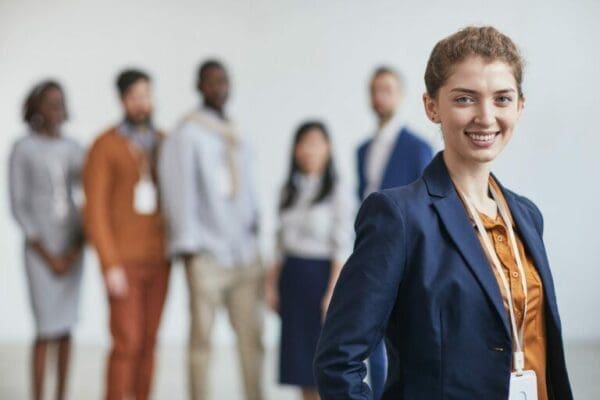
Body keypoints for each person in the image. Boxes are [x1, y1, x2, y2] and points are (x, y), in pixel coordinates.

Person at [314, 26, 573, 400]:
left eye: (502, 99)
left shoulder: (526, 216)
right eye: (465, 99)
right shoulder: (398, 217)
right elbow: (338, 361)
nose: (486, 116)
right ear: (431, 106)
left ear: (520, 106)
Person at [159, 60, 264, 400]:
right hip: (207, 256)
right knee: (202, 341)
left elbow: (247, 187)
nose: (219, 87)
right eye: (212, 82)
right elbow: (179, 192)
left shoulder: (236, 131)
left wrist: (254, 232)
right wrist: (190, 249)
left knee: (252, 340)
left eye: (224, 81)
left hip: (244, 257)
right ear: (200, 86)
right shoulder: (186, 134)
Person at [83, 69, 170, 400]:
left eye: (146, 94)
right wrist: (109, 263)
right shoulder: (105, 145)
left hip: (159, 258)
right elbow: (95, 210)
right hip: (124, 261)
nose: (142, 102)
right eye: (135, 96)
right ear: (122, 100)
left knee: (149, 340)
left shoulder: (163, 142)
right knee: (127, 340)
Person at [356, 66, 434, 399]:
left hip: (406, 253)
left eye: (387, 89)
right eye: (375, 90)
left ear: (400, 95)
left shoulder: (417, 147)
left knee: (402, 336)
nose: (379, 97)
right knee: (368, 331)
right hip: (369, 252)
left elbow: (427, 204)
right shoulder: (362, 149)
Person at [265, 121, 354, 400]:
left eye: (316, 143)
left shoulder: (338, 191)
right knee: (299, 365)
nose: (309, 150)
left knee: (322, 362)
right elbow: (279, 244)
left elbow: (342, 246)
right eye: (304, 143)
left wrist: (332, 292)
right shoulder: (288, 190)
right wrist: (270, 286)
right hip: (292, 277)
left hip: (321, 279)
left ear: (328, 149)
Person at [9, 80, 85, 400]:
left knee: (66, 327)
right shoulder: (23, 148)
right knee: (45, 328)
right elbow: (18, 205)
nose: (56, 109)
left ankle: (61, 394)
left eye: (60, 102)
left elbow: (89, 196)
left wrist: (76, 247)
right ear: (36, 108)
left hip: (71, 248)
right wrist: (46, 252)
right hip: (40, 251)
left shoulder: (75, 149)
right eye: (50, 103)